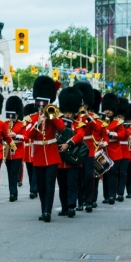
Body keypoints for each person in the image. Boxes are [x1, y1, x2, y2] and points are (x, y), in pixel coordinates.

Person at [26, 76, 65, 223]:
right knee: (41, 185)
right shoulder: (32, 118)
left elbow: (61, 127)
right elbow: (28, 136)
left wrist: (51, 114)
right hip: (39, 156)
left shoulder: (53, 113)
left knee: (50, 183)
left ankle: (47, 211)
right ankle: (44, 209)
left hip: (52, 153)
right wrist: (38, 122)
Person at [56, 87, 85, 218]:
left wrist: (69, 143)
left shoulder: (78, 123)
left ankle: (72, 206)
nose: (67, 115)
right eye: (66, 112)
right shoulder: (59, 121)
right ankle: (64, 207)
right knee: (62, 184)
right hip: (60, 159)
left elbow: (80, 136)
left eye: (70, 112)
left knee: (72, 183)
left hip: (73, 158)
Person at [73, 82, 101, 211]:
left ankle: (88, 200)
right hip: (77, 149)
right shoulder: (74, 117)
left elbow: (98, 128)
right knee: (78, 177)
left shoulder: (92, 117)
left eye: (84, 104)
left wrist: (89, 118)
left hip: (89, 148)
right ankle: (79, 201)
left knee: (89, 175)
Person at [101, 93, 125, 205]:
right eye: (106, 109)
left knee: (112, 174)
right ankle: (106, 196)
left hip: (114, 151)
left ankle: (112, 195)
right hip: (104, 150)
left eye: (110, 109)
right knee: (105, 174)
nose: (108, 111)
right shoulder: (101, 121)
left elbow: (122, 135)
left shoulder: (118, 122)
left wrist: (110, 133)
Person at [4, 96, 25, 202]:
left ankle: (13, 193)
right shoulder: (5, 124)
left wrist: (15, 135)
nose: (13, 116)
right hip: (8, 152)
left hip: (18, 151)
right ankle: (12, 192)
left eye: (15, 114)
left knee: (13, 172)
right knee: (9, 172)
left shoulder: (22, 124)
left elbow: (25, 137)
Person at [115, 98, 130, 202]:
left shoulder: (127, 127)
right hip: (115, 150)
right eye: (119, 116)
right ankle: (114, 192)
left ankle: (120, 193)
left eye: (122, 117)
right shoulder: (114, 125)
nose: (120, 118)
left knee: (123, 173)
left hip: (124, 151)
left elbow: (125, 134)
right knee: (115, 173)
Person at [22, 104, 38, 199]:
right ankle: (34, 188)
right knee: (30, 171)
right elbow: (26, 134)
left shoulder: (36, 121)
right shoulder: (27, 123)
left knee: (35, 172)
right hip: (28, 150)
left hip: (35, 149)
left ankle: (33, 190)